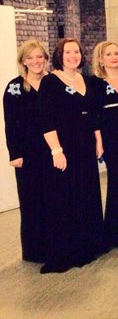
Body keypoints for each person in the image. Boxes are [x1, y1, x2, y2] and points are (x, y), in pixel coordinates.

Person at [38, 38, 107, 273]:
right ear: (60, 55)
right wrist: (56, 150)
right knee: (65, 198)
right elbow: (46, 120)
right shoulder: (50, 82)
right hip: (64, 147)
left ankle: (87, 246)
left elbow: (94, 115)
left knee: (86, 193)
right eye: (68, 52)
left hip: (85, 146)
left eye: (76, 52)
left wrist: (98, 141)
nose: (73, 56)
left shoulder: (84, 79)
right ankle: (67, 251)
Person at [3, 40, 49, 263]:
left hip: (52, 150)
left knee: (52, 198)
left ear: (46, 59)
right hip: (28, 152)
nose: (35, 61)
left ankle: (55, 245)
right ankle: (34, 250)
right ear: (23, 61)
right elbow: (10, 123)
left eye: (39, 56)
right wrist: (15, 153)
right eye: (30, 57)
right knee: (31, 199)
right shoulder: (15, 87)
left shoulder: (53, 83)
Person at [90, 41, 118, 246]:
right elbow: (94, 116)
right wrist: (99, 141)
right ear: (100, 58)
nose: (114, 57)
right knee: (117, 181)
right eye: (109, 54)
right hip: (112, 138)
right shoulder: (95, 83)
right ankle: (116, 232)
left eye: (116, 53)